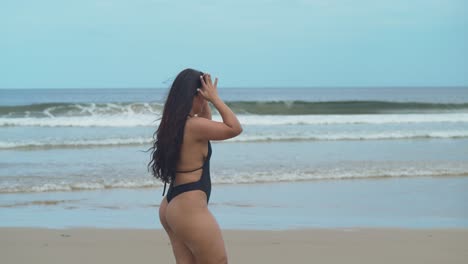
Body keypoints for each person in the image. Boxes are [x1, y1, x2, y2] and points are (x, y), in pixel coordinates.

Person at [148, 68, 242, 263]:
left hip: (172, 206)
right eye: (201, 95)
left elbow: (206, 123)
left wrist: (204, 100)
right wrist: (215, 98)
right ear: (194, 96)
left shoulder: (176, 123)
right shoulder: (193, 126)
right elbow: (235, 128)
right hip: (187, 207)